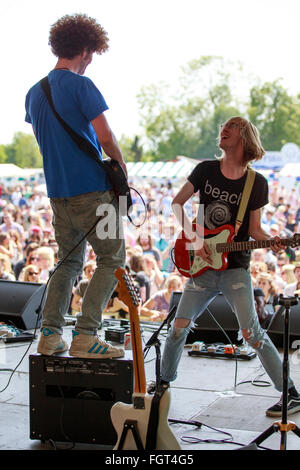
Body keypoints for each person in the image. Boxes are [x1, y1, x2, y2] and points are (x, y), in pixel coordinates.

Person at [156, 116, 300, 417]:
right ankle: (162, 385)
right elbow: (177, 204)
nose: (224, 128)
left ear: (244, 137)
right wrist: (193, 237)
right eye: (224, 125)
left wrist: (272, 241)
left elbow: (255, 230)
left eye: (232, 126)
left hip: (235, 268)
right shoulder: (206, 170)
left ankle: (291, 394)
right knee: (178, 328)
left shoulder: (256, 183)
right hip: (202, 267)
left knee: (252, 334)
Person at [25, 13, 126, 359]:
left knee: (67, 263)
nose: (90, 61)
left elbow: (47, 139)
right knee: (113, 259)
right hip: (94, 192)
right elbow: (106, 137)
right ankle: (86, 335)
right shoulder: (82, 86)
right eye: (92, 53)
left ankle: (50, 334)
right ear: (84, 49)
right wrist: (121, 167)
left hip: (58, 194)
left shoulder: (34, 92)